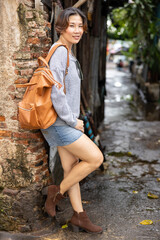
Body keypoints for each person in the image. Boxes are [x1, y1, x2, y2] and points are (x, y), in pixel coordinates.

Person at [41, 7, 103, 234]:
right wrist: (71, 119)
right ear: (61, 27)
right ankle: (56, 194)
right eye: (72, 25)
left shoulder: (67, 51)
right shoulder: (59, 52)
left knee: (72, 168)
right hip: (60, 123)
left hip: (63, 122)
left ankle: (79, 216)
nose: (77, 30)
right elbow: (56, 92)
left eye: (80, 26)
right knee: (96, 158)